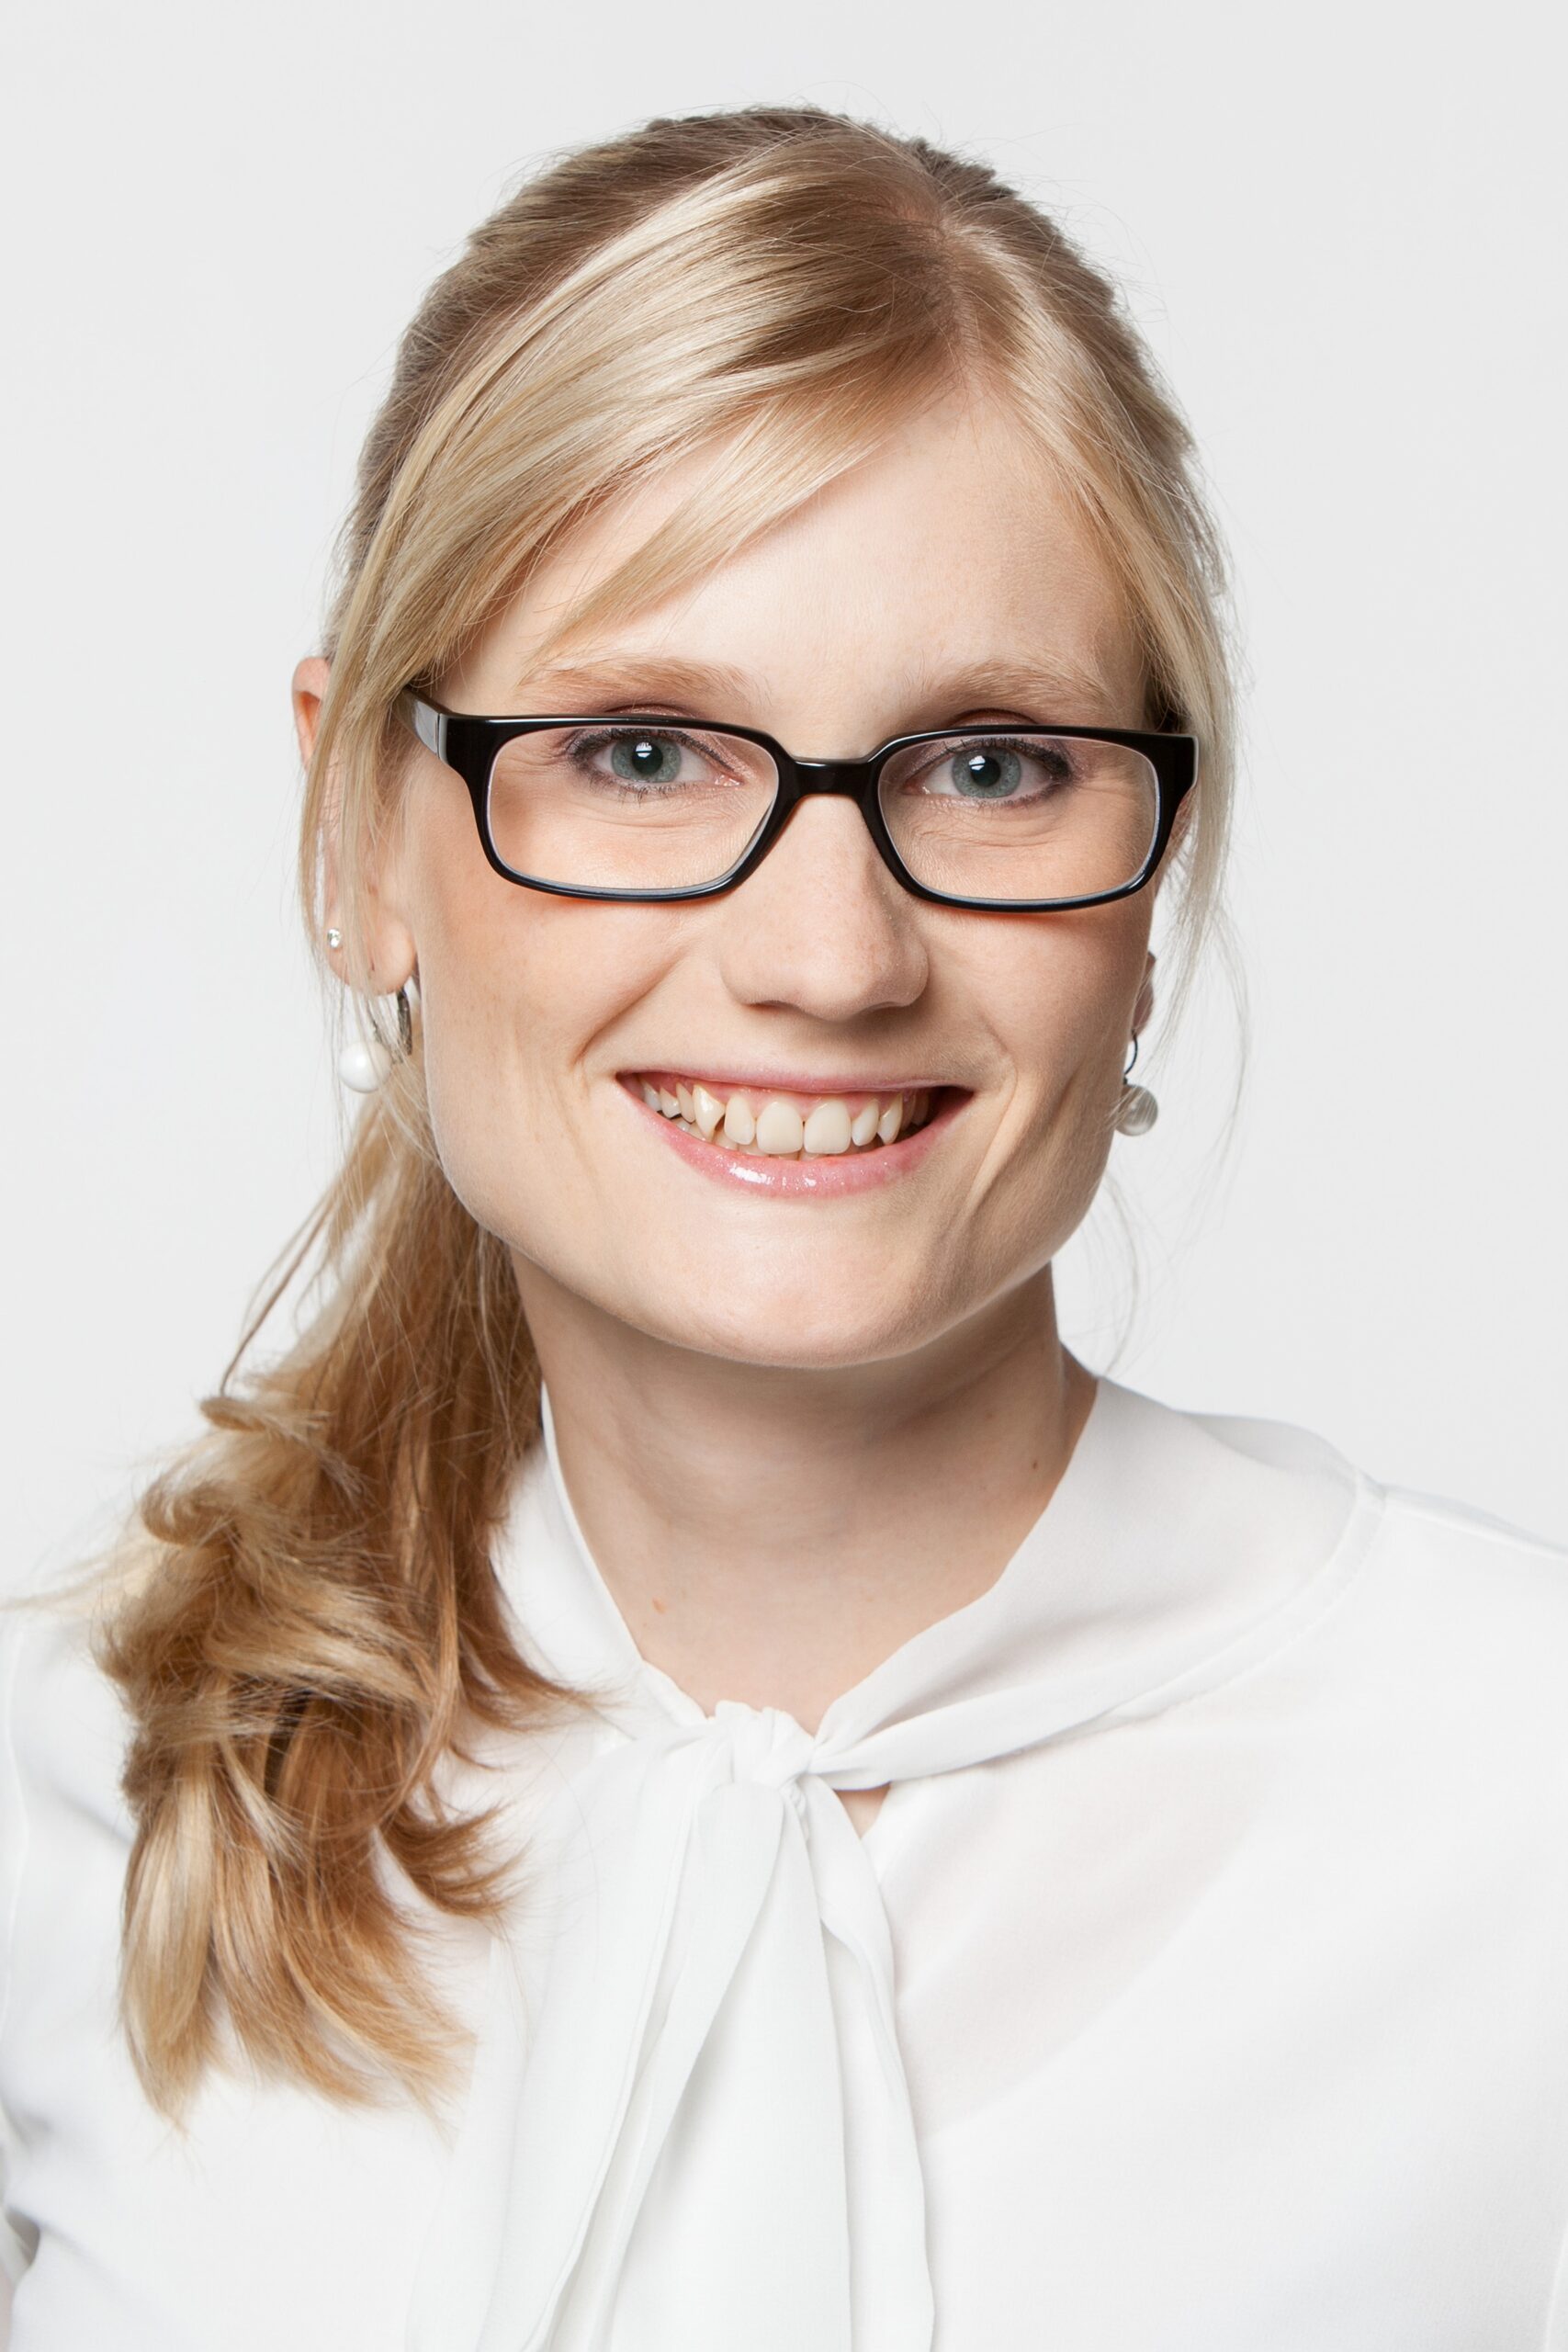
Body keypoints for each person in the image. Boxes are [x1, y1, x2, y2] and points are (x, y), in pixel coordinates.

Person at [3, 101, 1566, 2352]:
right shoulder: (90, 1793)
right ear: (361, 833)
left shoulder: (1511, 1810)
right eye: (642, 751)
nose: (828, 956)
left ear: (1147, 888)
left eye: (990, 764)